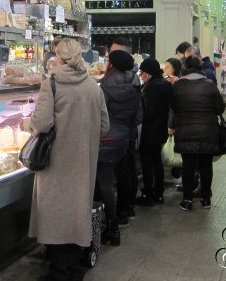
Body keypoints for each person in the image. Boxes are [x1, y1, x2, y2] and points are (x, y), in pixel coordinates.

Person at [28, 39, 109, 280]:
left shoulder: (51, 84)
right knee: (76, 213)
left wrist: (26, 124)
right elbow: (104, 125)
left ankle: (59, 270)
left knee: (55, 214)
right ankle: (74, 266)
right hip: (84, 162)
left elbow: (41, 123)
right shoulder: (94, 86)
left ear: (58, 58)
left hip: (56, 162)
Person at [96, 49, 141, 244]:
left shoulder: (104, 85)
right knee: (121, 175)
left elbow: (100, 116)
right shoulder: (135, 83)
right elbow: (139, 115)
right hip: (124, 138)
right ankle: (120, 217)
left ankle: (108, 225)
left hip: (105, 139)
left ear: (111, 64)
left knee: (103, 183)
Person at [170, 56, 225, 211]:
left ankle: (187, 199)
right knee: (206, 166)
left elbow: (174, 106)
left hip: (186, 130)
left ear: (185, 67)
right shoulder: (210, 85)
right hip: (208, 131)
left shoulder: (179, 85)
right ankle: (205, 198)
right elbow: (220, 108)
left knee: (188, 166)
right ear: (201, 67)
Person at [135, 58, 172, 206]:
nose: (141, 74)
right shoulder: (164, 84)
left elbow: (148, 111)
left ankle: (148, 194)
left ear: (149, 73)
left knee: (147, 162)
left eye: (142, 72)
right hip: (160, 129)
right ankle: (159, 192)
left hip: (149, 130)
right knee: (157, 161)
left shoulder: (151, 88)